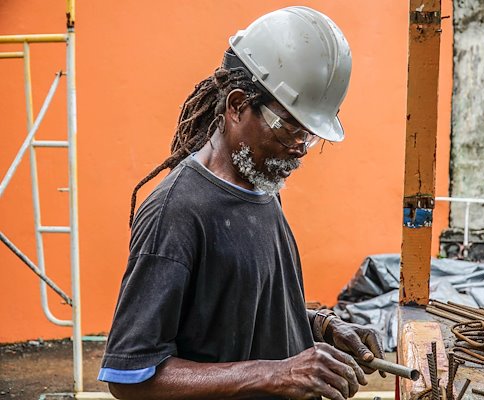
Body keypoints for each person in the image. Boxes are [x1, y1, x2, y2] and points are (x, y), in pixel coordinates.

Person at [98, 6, 385, 400]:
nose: (300, 148)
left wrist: (320, 325)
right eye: (289, 126)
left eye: (310, 136)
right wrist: (277, 374)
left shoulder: (262, 187)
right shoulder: (178, 212)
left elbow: (235, 312)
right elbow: (130, 375)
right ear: (236, 105)